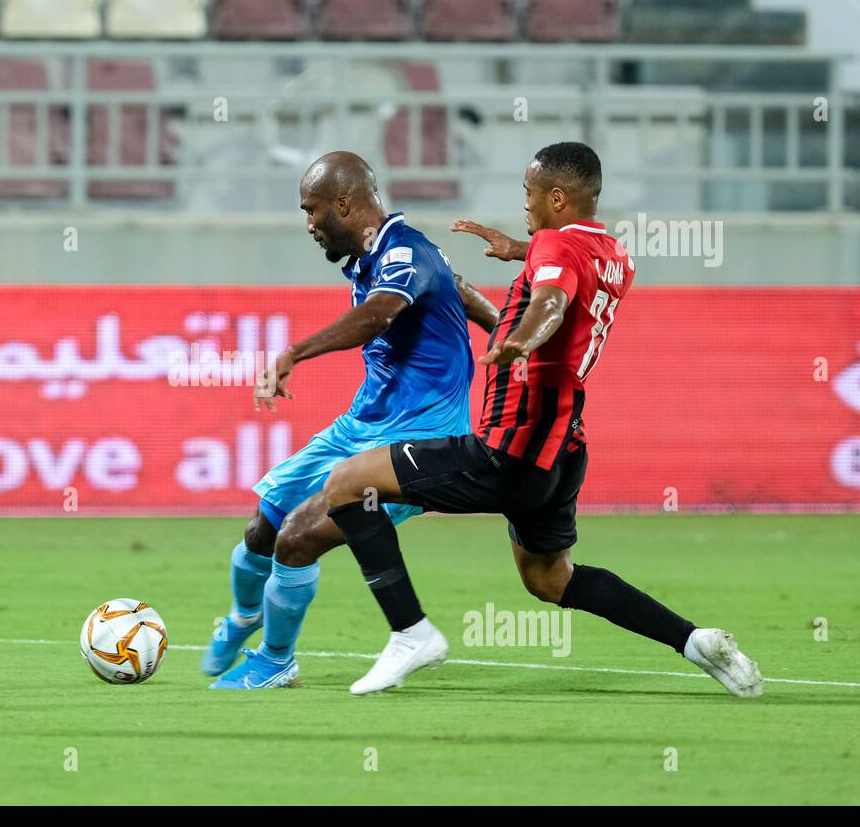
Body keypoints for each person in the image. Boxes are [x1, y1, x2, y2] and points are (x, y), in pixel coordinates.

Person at [321, 142, 763, 698]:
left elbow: (551, 301)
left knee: (346, 484)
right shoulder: (613, 255)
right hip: (563, 452)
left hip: (512, 446)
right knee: (550, 579)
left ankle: (411, 634)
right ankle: (695, 641)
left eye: (529, 194)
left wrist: (521, 340)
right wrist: (519, 250)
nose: (524, 203)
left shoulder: (553, 246)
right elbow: (566, 271)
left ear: (557, 196)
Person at [205, 151, 499, 690]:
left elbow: (379, 313)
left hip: (419, 441)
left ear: (344, 202)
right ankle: (245, 617)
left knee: (297, 538)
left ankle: (275, 661)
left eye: (311, 210)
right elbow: (456, 288)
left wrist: (295, 352)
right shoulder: (377, 254)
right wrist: (504, 330)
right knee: (261, 530)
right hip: (360, 425)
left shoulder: (405, 251)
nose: (309, 225)